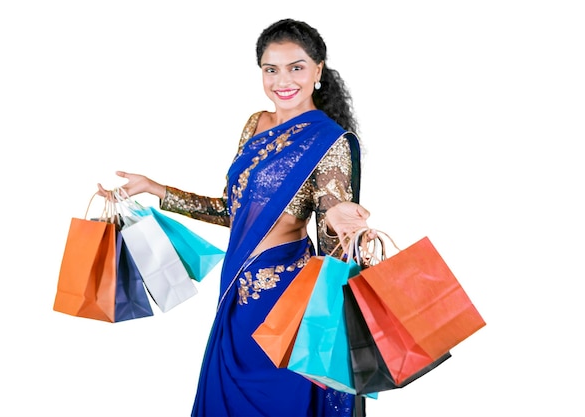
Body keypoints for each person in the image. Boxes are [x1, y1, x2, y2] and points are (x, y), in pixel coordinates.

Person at [98, 18, 377, 417]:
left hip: (287, 302)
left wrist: (338, 218)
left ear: (318, 70)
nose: (283, 80)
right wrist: (157, 189)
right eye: (271, 69)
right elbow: (233, 211)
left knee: (283, 402)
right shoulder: (255, 125)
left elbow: (335, 246)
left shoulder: (329, 142)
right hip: (236, 295)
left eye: (296, 67)